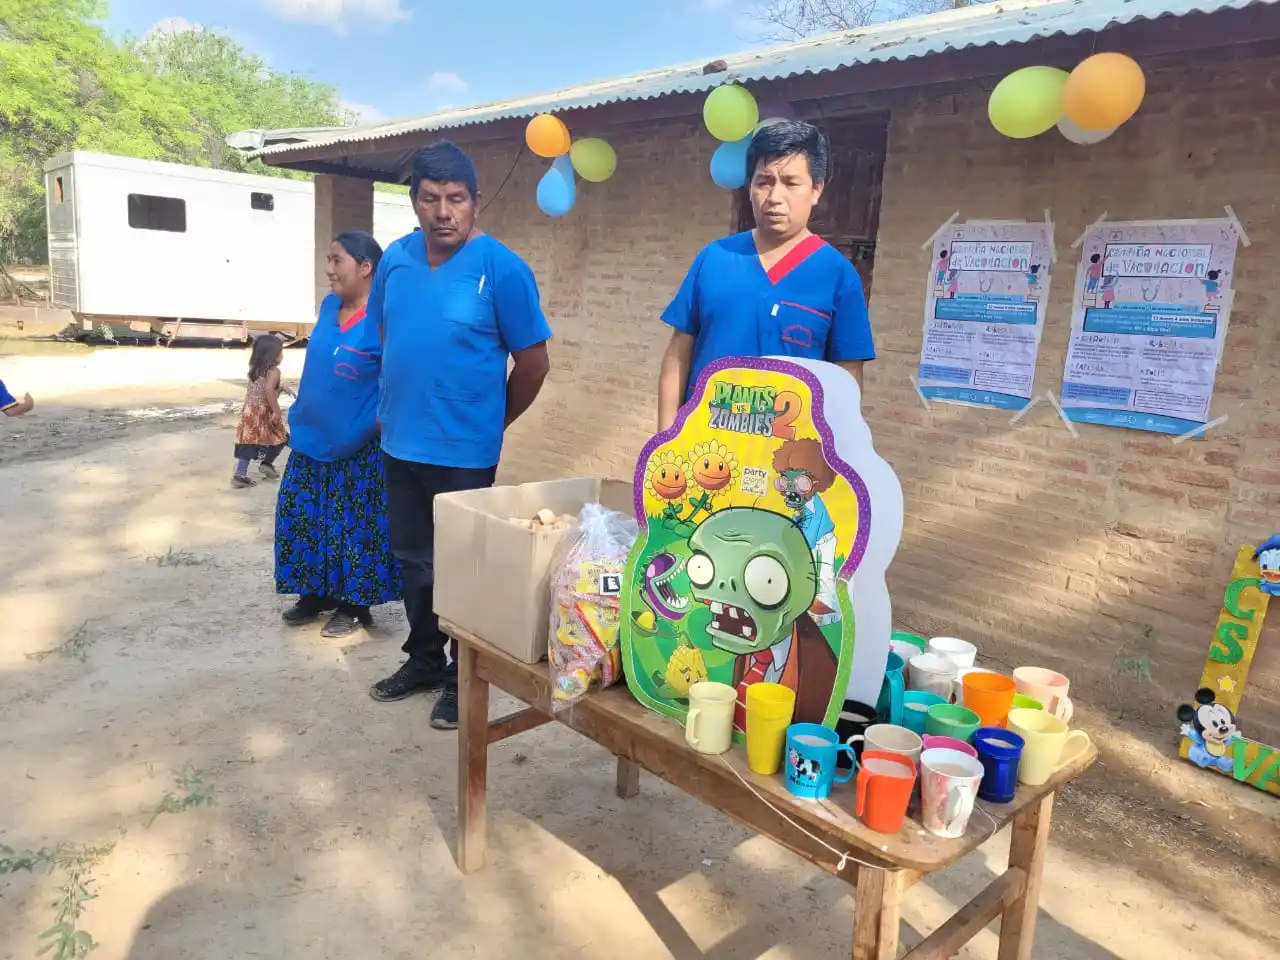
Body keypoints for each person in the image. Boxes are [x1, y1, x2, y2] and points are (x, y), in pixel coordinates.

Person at [369, 141, 552, 729]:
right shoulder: (395, 262)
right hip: (399, 444)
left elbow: (534, 364)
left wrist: (489, 425)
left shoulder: (502, 269)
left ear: (476, 203)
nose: (442, 212)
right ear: (414, 202)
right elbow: (387, 341)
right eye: (429, 199)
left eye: (455, 199)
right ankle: (422, 659)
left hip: (465, 455)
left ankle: (460, 675)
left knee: (465, 569)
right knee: (413, 562)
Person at [657, 119, 874, 431]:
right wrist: (664, 440)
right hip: (701, 450)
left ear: (816, 190)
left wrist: (834, 455)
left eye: (790, 182)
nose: (775, 196)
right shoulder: (716, 258)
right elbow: (678, 354)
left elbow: (847, 378)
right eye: (764, 181)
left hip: (786, 462)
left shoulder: (838, 276)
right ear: (750, 188)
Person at [274, 231, 401, 638]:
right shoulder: (329, 306)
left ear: (366, 268)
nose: (328, 269)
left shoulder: (384, 318)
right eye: (328, 260)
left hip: (357, 443)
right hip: (311, 438)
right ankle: (315, 594)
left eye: (337, 260)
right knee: (304, 517)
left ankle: (354, 604)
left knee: (356, 525)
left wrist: (378, 420)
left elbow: (397, 376)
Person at [233, 335, 292, 488]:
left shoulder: (254, 370)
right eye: (280, 352)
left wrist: (281, 387)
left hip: (249, 411)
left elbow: (263, 388)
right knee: (282, 437)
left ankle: (240, 474)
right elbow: (268, 391)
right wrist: (277, 411)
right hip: (264, 411)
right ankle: (267, 463)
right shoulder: (274, 371)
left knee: (248, 441)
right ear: (272, 354)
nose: (282, 355)